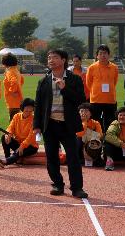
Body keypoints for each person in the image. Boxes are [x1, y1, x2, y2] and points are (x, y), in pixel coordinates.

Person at [33, 49, 88, 198]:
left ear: (63, 60)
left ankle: (77, 188)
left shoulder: (74, 79)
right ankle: (57, 184)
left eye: (54, 57)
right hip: (49, 125)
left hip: (67, 124)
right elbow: (38, 105)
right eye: (49, 58)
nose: (50, 60)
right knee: (51, 156)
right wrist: (36, 126)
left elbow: (81, 100)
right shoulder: (44, 81)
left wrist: (65, 88)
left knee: (73, 157)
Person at [0, 98, 38, 167]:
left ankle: (5, 161)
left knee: (18, 152)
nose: (28, 112)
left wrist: (22, 146)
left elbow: (31, 137)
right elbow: (11, 127)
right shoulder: (16, 116)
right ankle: (7, 157)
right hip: (19, 143)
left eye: (31, 110)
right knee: (4, 137)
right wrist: (8, 134)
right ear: (22, 108)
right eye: (26, 109)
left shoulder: (34, 120)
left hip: (30, 146)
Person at [85, 44, 118, 131]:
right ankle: (96, 142)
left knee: (110, 123)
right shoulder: (91, 68)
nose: (103, 55)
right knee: (95, 122)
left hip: (110, 100)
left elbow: (114, 82)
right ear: (97, 55)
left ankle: (108, 142)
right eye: (101, 53)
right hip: (96, 100)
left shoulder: (114, 67)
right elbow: (88, 83)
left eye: (105, 53)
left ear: (109, 55)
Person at [76, 102, 104, 167]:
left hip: (90, 144)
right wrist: (84, 122)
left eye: (86, 111)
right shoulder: (76, 122)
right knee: (78, 139)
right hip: (79, 145)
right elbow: (80, 134)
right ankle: (78, 158)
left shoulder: (95, 123)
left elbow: (100, 135)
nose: (84, 113)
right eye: (81, 111)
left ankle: (96, 159)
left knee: (97, 141)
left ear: (90, 113)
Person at [1, 53, 24, 120]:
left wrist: (12, 91)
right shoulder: (16, 70)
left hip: (12, 100)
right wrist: (18, 89)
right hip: (18, 99)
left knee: (13, 122)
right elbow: (22, 80)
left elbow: (14, 81)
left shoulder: (10, 72)